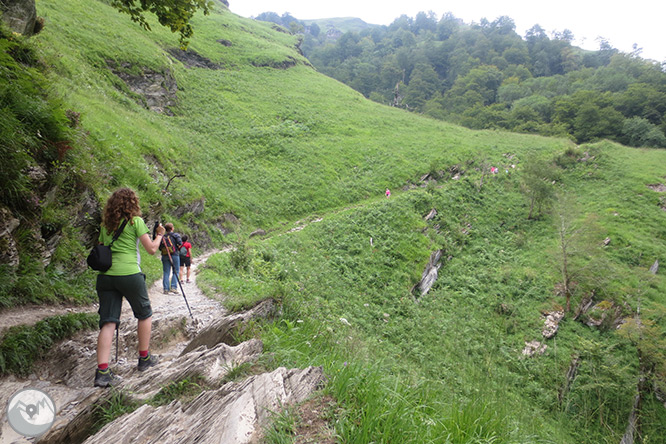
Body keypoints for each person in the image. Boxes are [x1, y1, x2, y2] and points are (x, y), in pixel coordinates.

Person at [94, 188, 165, 387]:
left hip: (106, 277)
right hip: (129, 274)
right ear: (133, 203)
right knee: (144, 314)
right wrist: (159, 235)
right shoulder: (136, 221)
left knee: (108, 322)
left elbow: (101, 246)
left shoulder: (106, 225)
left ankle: (102, 372)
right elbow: (151, 249)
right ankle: (144, 358)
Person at [160, 223, 182, 294]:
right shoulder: (176, 235)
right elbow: (180, 243)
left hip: (165, 255)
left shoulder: (163, 237)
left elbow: (160, 247)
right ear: (172, 228)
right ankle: (173, 287)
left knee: (166, 272)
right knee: (176, 271)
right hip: (174, 255)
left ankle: (166, 289)